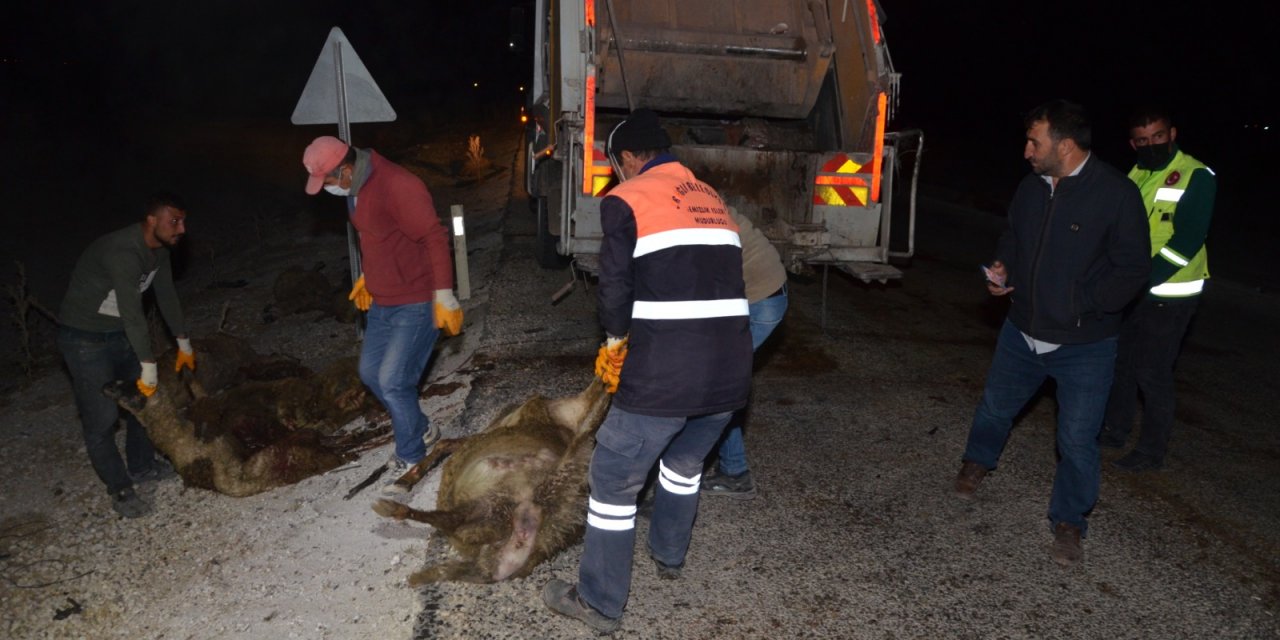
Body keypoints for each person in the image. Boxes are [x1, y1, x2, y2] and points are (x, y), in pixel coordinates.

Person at [541, 109, 753, 632]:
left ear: (633, 157)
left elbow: (615, 285)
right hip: (730, 374)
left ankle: (599, 602)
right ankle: (669, 556)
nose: (617, 175)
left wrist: (614, 343)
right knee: (683, 466)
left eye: (618, 164)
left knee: (613, 478)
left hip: (666, 374)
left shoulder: (628, 199)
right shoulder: (710, 198)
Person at [952, 100, 1150, 567]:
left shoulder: (1116, 194)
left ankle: (1069, 522)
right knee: (996, 407)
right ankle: (977, 462)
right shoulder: (1031, 187)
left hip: (1085, 344)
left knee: (1077, 438)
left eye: (1033, 142)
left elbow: (1132, 269)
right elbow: (1014, 238)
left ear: (1064, 144)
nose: (1026, 151)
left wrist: (1081, 304)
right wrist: (1004, 267)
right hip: (1022, 331)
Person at [301, 136, 463, 493]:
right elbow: (377, 235)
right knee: (370, 373)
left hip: (417, 300)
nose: (327, 189)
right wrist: (368, 275)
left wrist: (444, 296)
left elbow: (435, 238)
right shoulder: (355, 187)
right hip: (383, 300)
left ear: (344, 170)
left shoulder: (398, 185)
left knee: (393, 380)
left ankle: (412, 455)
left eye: (327, 181)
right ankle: (421, 427)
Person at [57, 192, 192, 518]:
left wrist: (183, 341)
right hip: (85, 340)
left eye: (183, 221)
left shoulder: (159, 251)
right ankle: (120, 489)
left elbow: (167, 296)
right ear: (151, 221)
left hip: (120, 334)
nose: (182, 228)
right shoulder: (122, 251)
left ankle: (143, 467)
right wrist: (148, 364)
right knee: (101, 419)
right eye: (174, 221)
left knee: (142, 405)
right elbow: (134, 312)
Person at [1099, 107, 1217, 472]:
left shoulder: (1197, 175)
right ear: (1133, 143)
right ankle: (1114, 431)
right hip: (1136, 288)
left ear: (1173, 133)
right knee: (1120, 363)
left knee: (1153, 372)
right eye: (1143, 140)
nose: (1151, 145)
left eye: (1159, 137)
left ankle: (1151, 452)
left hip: (1172, 293)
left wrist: (1140, 281)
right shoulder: (1137, 172)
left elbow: (1188, 239)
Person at [701, 209, 788, 499]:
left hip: (760, 300)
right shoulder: (696, 199)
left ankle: (732, 473)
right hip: (757, 294)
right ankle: (732, 471)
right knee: (719, 382)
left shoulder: (688, 214)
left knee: (714, 385)